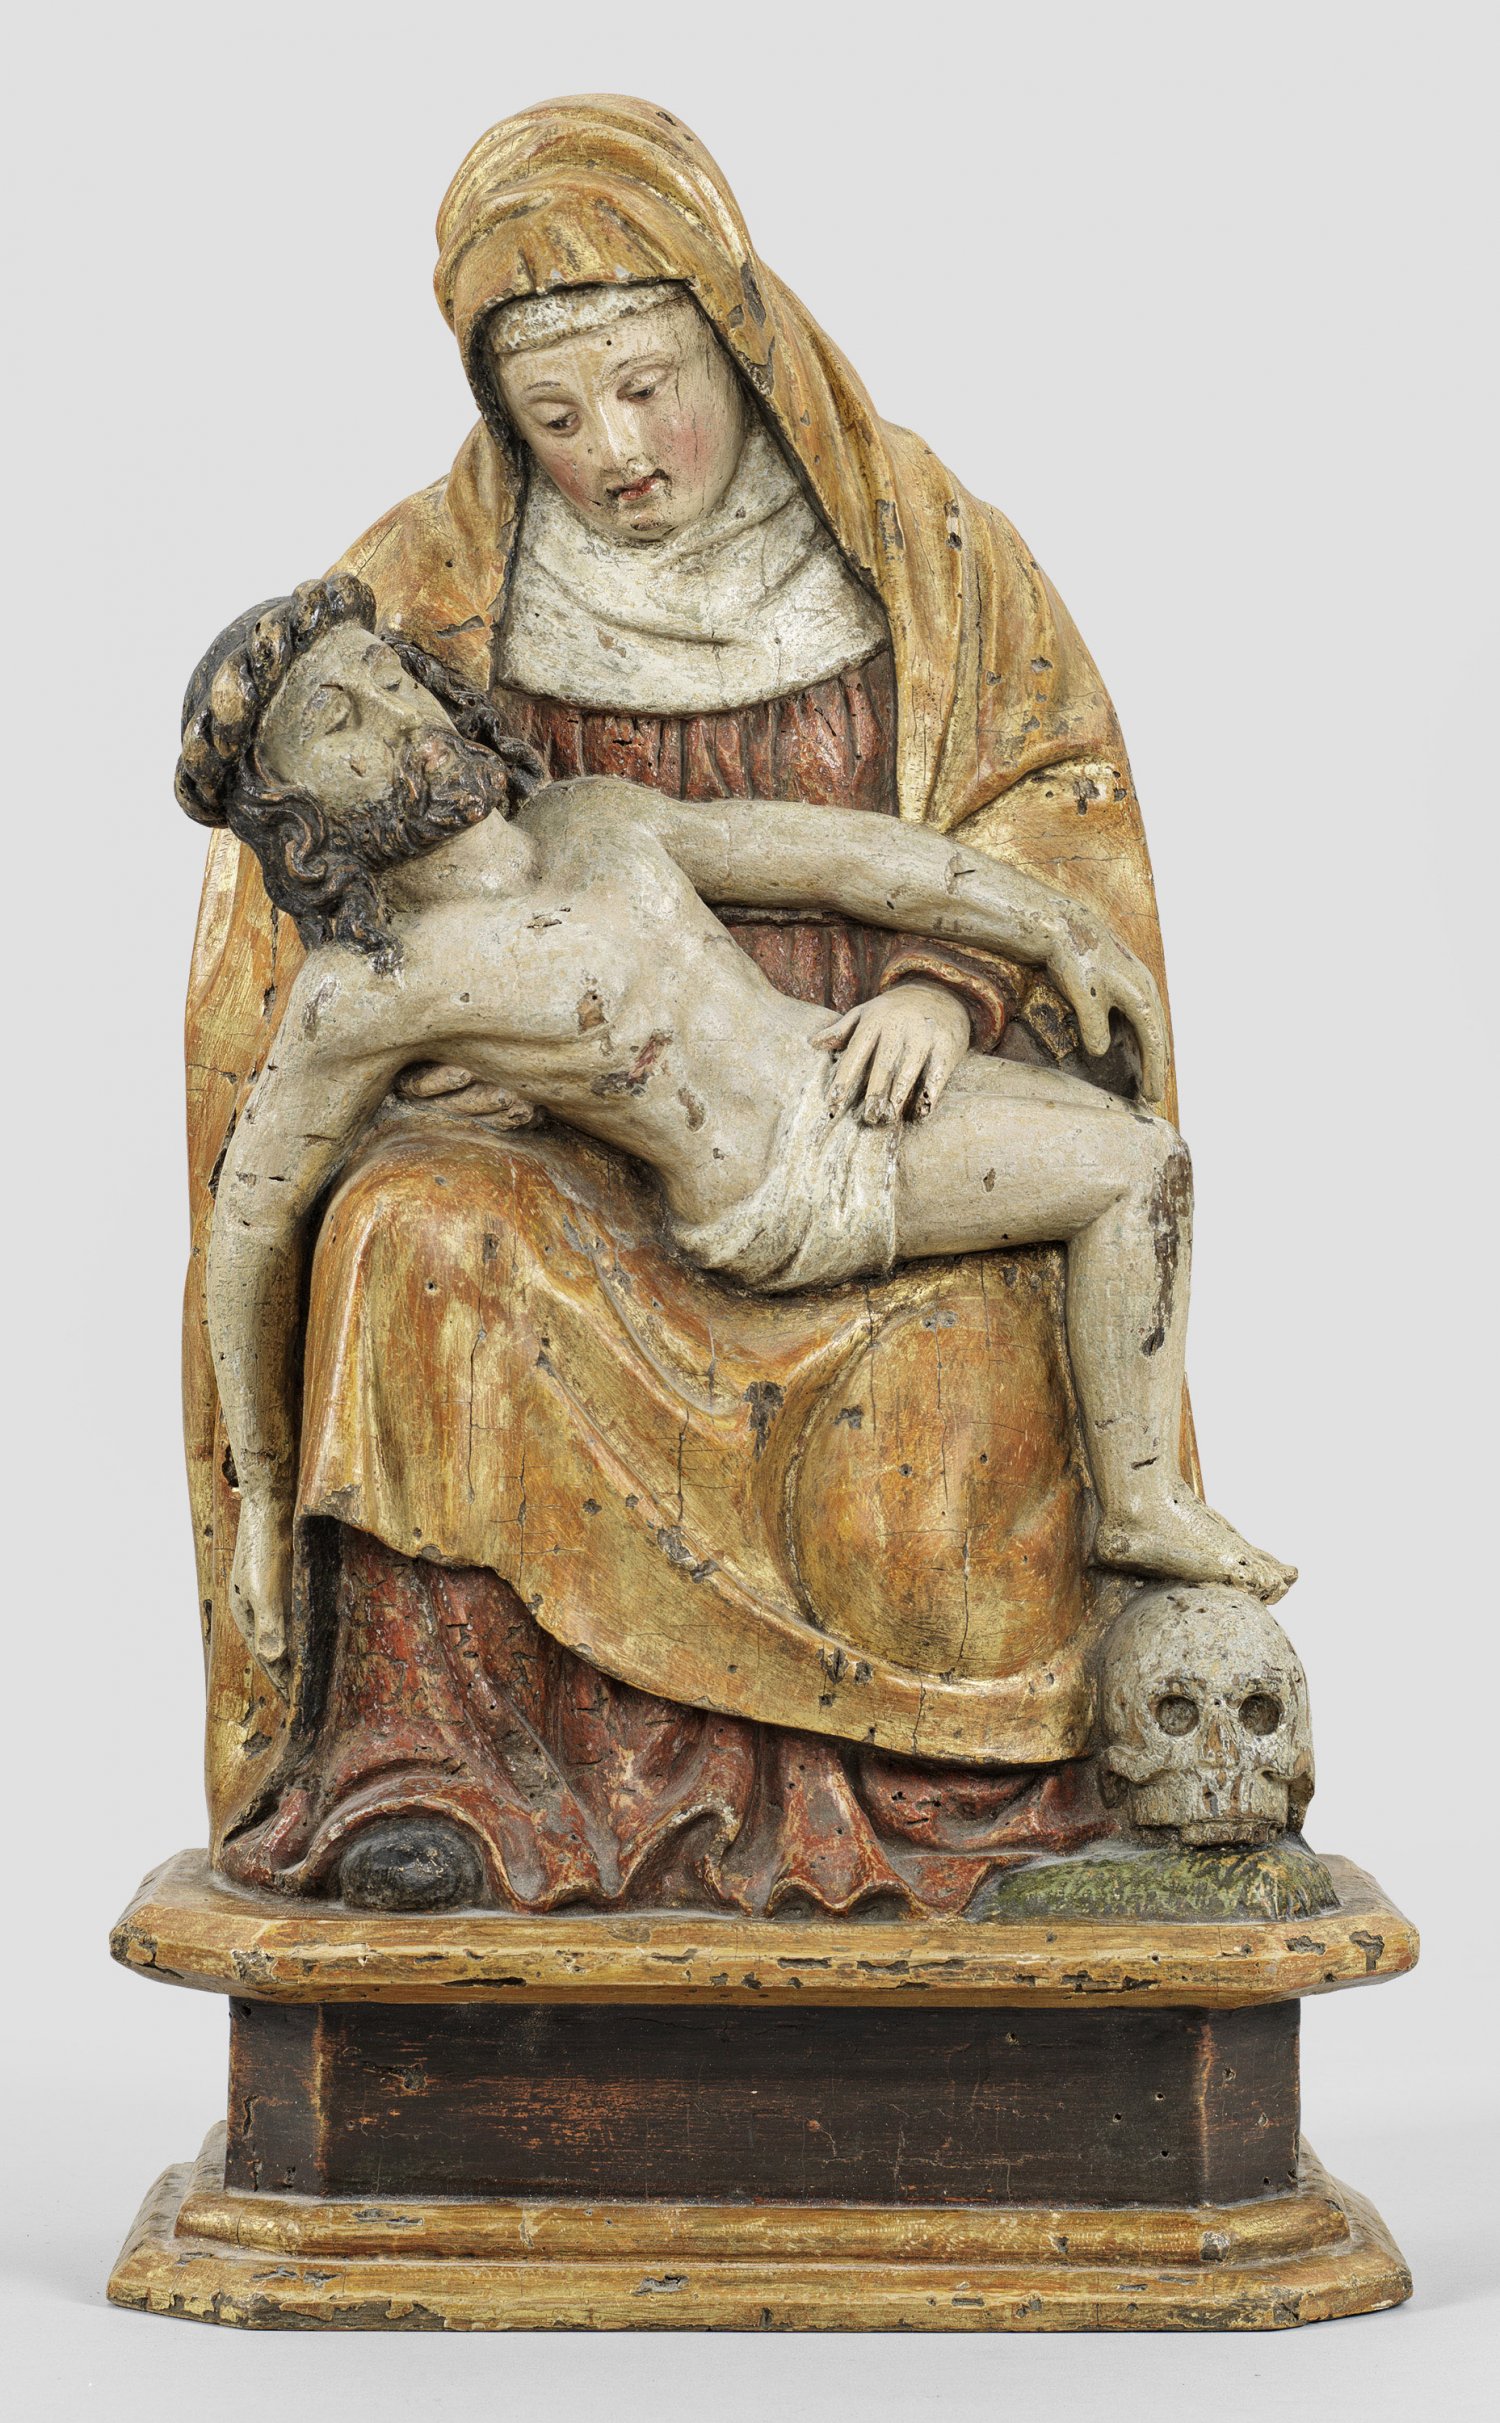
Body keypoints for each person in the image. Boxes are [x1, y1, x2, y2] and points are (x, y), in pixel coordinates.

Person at [181, 579, 1292, 1687]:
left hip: (841, 1081)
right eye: (339, 724)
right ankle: (1139, 1502)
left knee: (1137, 1141)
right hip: (784, 1185)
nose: (397, 720)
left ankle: (1141, 1493)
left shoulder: (588, 819)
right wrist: (263, 1508)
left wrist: (1051, 923)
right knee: (1135, 1170)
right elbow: (251, 1224)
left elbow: (831, 859)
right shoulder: (373, 985)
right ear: (296, 814)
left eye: (388, 679)